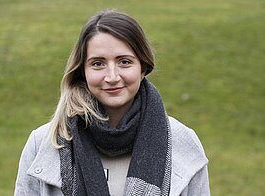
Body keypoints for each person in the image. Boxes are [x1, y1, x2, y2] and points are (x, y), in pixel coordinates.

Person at [14, 9, 210, 196]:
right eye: (97, 63)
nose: (112, 76)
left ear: (143, 68)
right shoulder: (43, 143)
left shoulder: (183, 143)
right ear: (83, 71)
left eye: (124, 61)